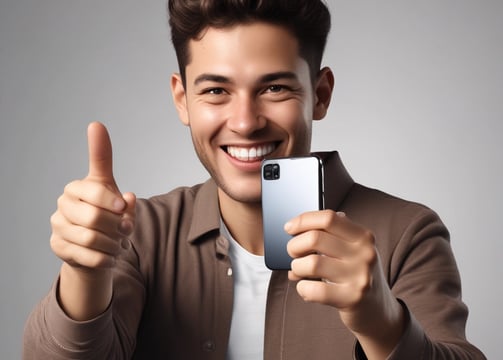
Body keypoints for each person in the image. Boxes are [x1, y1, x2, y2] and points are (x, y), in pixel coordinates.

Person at [23, 1, 485, 359]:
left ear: (319, 95)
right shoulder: (138, 233)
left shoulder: (408, 234)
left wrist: (383, 323)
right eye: (216, 91)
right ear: (182, 99)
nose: (244, 122)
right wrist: (84, 271)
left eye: (274, 88)